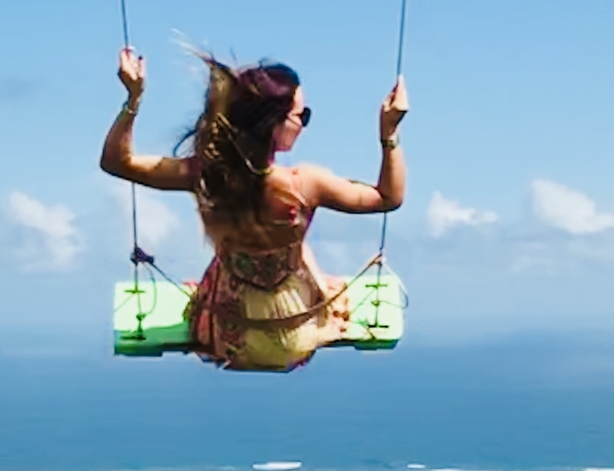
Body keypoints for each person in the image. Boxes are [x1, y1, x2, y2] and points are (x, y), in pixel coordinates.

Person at [101, 49, 408, 372]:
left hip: (228, 332)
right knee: (295, 240)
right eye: (301, 116)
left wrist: (132, 99)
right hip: (294, 334)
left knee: (267, 245)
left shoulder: (206, 175)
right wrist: (389, 133)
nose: (304, 125)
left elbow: (116, 163)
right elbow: (388, 197)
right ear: (273, 123)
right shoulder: (304, 184)